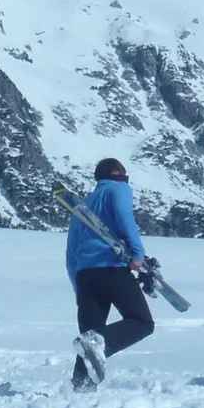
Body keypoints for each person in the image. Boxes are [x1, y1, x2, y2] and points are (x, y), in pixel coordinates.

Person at [66, 158, 155, 391]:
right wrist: (138, 253)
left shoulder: (82, 207)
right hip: (112, 268)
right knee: (142, 322)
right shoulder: (119, 189)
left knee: (88, 341)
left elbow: (71, 253)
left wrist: (80, 288)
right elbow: (126, 218)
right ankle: (101, 343)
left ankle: (81, 390)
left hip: (85, 276)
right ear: (116, 173)